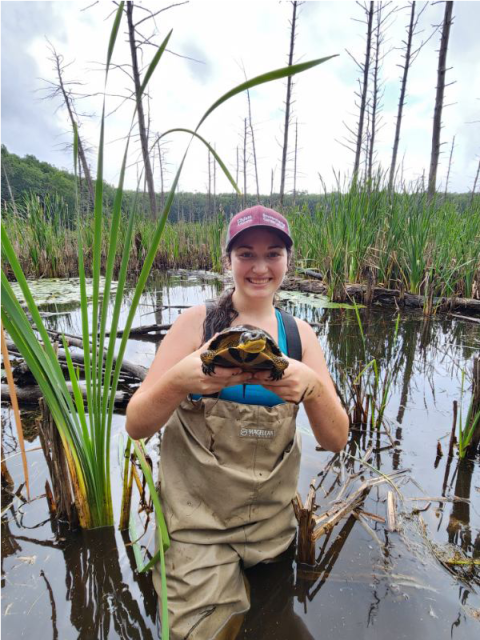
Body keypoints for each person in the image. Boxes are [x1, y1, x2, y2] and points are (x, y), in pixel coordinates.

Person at [126, 205, 349, 640]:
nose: (260, 267)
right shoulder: (196, 325)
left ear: (288, 259)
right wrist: (179, 381)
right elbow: (137, 424)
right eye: (246, 254)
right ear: (227, 260)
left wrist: (312, 389)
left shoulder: (299, 336)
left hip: (271, 529)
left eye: (273, 254)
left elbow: (336, 438)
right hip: (199, 529)